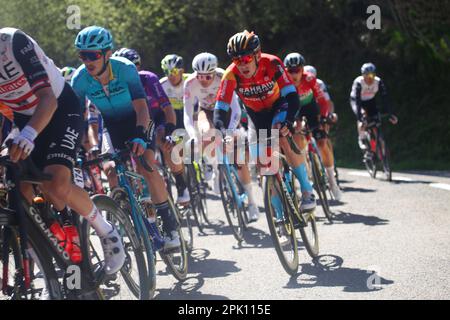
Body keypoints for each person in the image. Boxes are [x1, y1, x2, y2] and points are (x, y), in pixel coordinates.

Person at [0, 27, 125, 275]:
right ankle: (49, 270)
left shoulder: (13, 42)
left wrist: (28, 135)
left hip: (60, 110)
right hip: (25, 118)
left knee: (56, 183)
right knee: (18, 190)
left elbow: (48, 99)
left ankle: (107, 233)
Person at [71, 26, 180, 250]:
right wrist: (74, 148)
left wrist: (141, 136)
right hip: (112, 126)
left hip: (138, 120)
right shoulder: (80, 79)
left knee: (145, 165)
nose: (87, 61)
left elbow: (141, 107)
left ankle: (170, 227)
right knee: (110, 169)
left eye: (93, 55)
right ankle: (126, 217)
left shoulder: (125, 69)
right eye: (82, 55)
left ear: (107, 54)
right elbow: (77, 117)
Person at [215, 30, 316, 213]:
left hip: (279, 107)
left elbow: (292, 96)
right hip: (257, 117)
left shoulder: (272, 63)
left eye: (245, 59)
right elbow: (220, 110)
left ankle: (307, 190)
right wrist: (222, 131)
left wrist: (288, 121)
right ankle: (279, 218)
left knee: (282, 135)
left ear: (256, 55)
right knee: (263, 165)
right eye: (237, 60)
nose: (242, 65)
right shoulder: (230, 75)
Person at [112, 48, 189, 204]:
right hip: (138, 122)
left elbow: (168, 108)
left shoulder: (149, 79)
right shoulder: (116, 87)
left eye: (132, 67)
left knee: (166, 142)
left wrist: (170, 131)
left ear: (138, 67)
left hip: (157, 117)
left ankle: (181, 185)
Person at [284, 53, 341, 200]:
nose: (294, 74)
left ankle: (333, 182)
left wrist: (323, 117)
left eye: (297, 70)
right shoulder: (283, 81)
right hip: (294, 110)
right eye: (291, 71)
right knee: (297, 140)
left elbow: (322, 100)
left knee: (322, 142)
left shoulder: (309, 78)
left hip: (310, 109)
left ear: (303, 69)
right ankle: (305, 174)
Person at [350, 62, 398, 150]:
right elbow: (357, 101)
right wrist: (360, 118)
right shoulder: (358, 82)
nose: (369, 78)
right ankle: (361, 138)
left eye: (372, 75)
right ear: (363, 75)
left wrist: (390, 114)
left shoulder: (378, 81)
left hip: (370, 101)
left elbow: (385, 98)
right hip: (357, 101)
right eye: (367, 76)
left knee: (376, 118)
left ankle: (379, 148)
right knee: (362, 115)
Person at [160, 54, 190, 130]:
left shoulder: (190, 81)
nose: (171, 75)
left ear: (181, 71)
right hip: (173, 115)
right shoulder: (162, 84)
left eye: (174, 71)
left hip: (190, 112)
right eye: (167, 72)